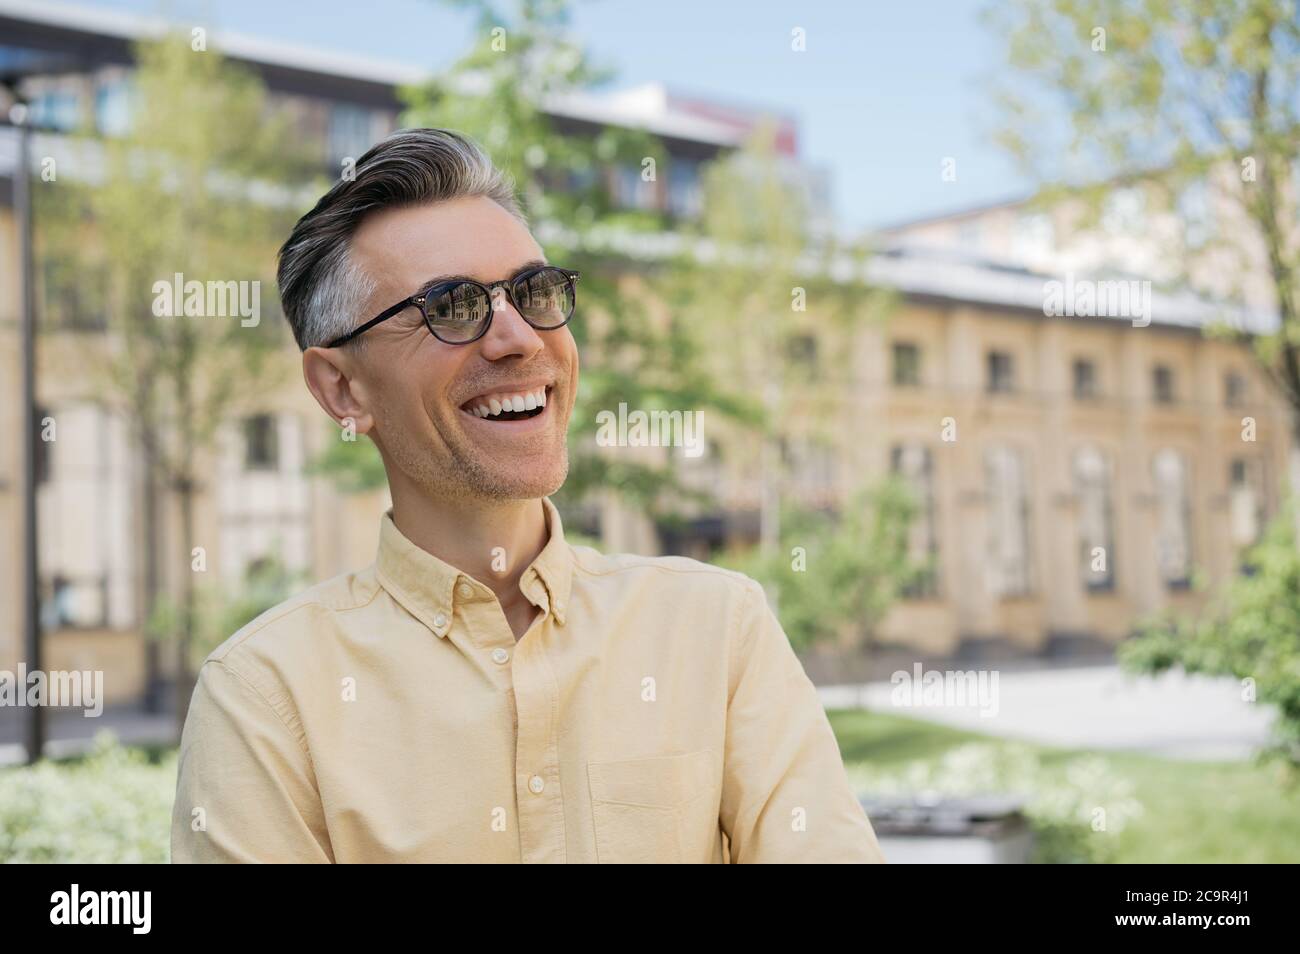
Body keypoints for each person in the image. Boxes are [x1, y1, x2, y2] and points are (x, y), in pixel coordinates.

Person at [170, 128, 885, 863]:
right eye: (450, 307)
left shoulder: (717, 629)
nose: (518, 337)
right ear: (343, 388)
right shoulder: (264, 696)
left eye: (535, 292)